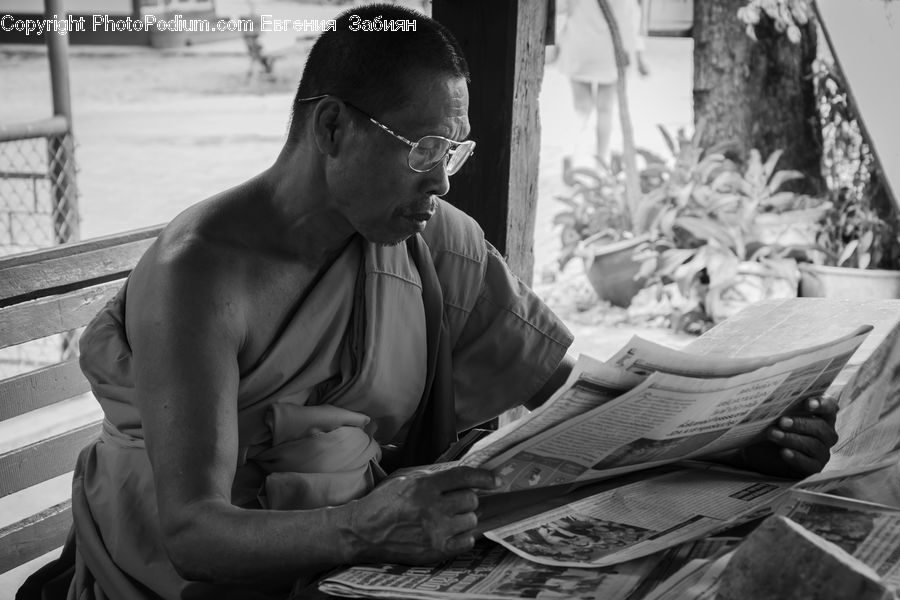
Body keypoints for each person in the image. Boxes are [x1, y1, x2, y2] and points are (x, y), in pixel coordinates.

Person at [20, 4, 839, 599]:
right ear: (333, 127)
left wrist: (733, 440)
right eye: (423, 149)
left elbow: (571, 397)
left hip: (345, 567)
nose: (444, 179)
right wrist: (362, 529)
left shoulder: (430, 239)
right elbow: (191, 532)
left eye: (455, 148)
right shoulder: (201, 273)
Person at [556, 0, 649, 168]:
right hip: (610, 53)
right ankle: (601, 161)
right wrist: (639, 55)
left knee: (581, 108)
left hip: (579, 48)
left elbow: (560, 9)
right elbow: (633, 21)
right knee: (605, 109)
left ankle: (569, 152)